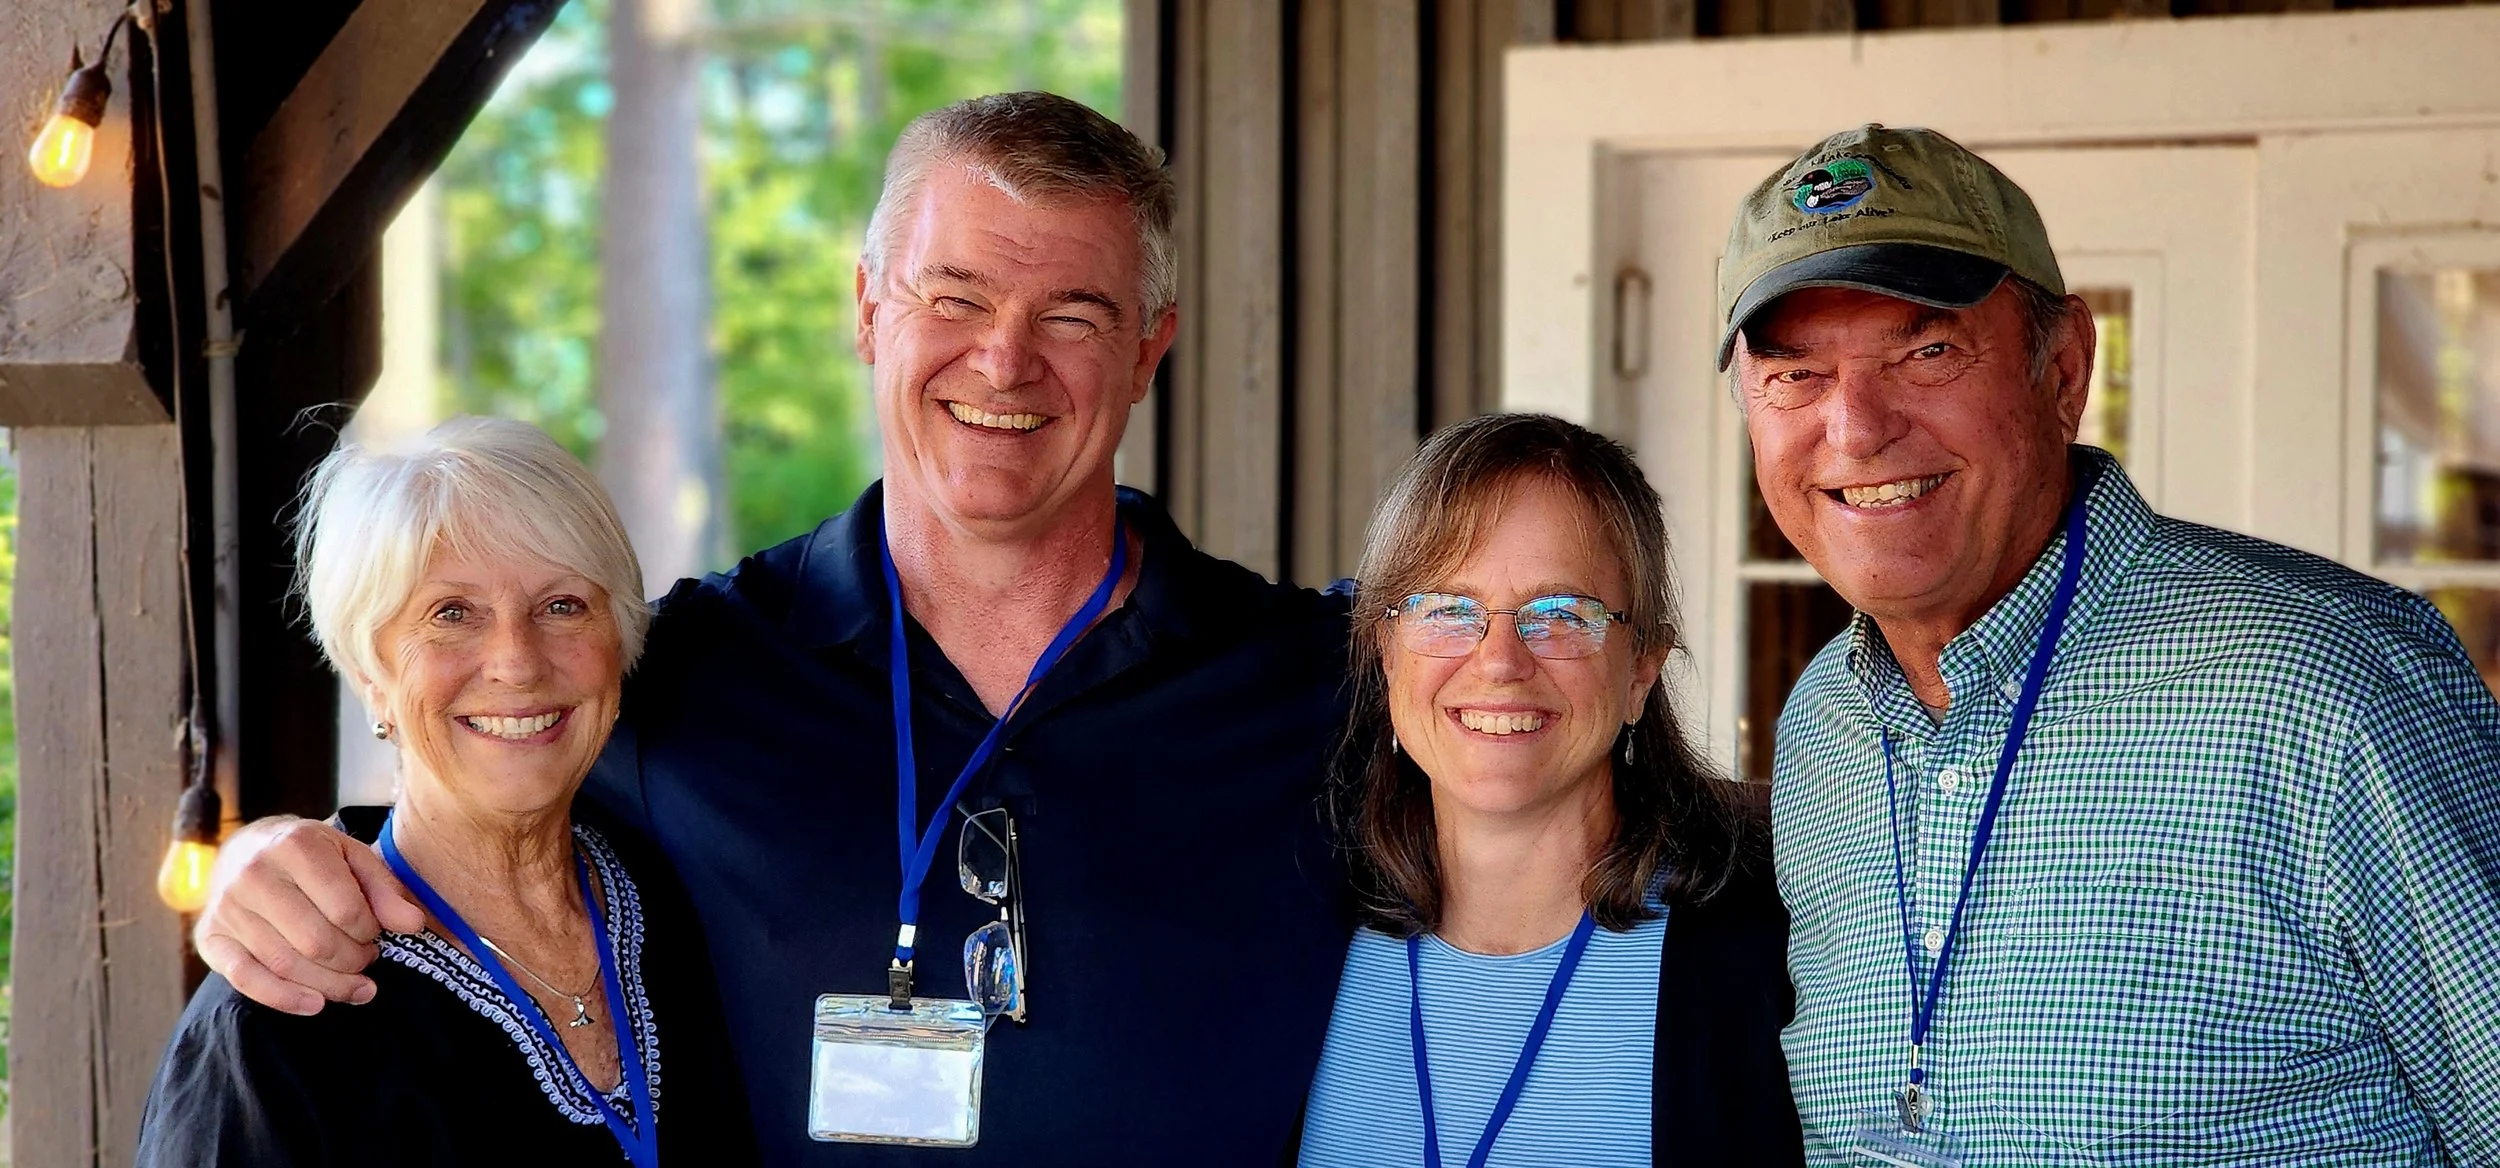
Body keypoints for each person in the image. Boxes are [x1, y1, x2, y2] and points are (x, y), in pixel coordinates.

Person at [187, 93, 1352, 1164]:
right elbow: (489, 751)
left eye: (1074, 314)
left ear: (1150, 346)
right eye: (953, 297)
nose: (1004, 358)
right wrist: (283, 857)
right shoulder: (685, 670)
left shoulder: (1323, 687)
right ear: (866, 309)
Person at [1721, 123, 2500, 1164]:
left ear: (2064, 368)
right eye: (1795, 376)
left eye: (1927, 350)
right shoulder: (1825, 723)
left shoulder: (2332, 686)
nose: (1856, 427)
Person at [134, 417, 754, 1166]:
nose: (516, 662)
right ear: (372, 676)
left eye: (562, 606)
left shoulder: (684, 900)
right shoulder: (278, 1010)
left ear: (619, 647)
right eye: (451, 614)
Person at [1298, 414, 1799, 1167]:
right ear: (1384, 653)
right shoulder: (1294, 923)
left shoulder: (1771, 952)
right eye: (1447, 609)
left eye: (1561, 614)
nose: (1500, 662)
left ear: (1641, 670)